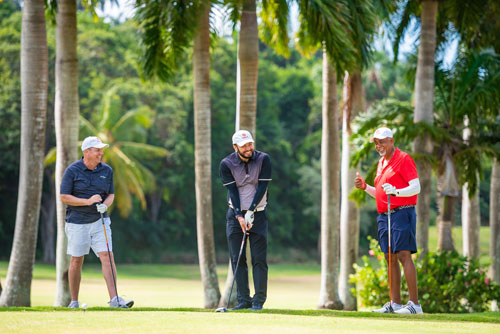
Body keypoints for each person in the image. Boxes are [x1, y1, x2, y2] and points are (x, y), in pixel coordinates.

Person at [354, 127, 423, 314]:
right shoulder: (381, 163)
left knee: (403, 255)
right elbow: (382, 194)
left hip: (402, 212)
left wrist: (397, 192)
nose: (379, 145)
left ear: (392, 141)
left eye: (382, 141)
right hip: (385, 215)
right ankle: (395, 304)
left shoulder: (403, 159)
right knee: (389, 256)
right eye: (376, 142)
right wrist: (366, 187)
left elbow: (416, 187)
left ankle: (415, 305)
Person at [60, 136, 133, 309]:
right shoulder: (72, 171)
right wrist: (87, 201)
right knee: (76, 260)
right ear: (87, 152)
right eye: (97, 150)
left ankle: (115, 300)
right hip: (77, 222)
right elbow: (64, 197)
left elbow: (111, 195)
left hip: (100, 221)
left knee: (107, 256)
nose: (101, 153)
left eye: (101, 149)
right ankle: (74, 301)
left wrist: (105, 206)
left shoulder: (107, 170)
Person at [219, 130, 272, 311]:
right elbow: (232, 191)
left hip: (259, 214)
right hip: (235, 216)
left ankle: (258, 301)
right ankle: (243, 300)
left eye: (250, 144)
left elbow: (262, 187)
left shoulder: (264, 159)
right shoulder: (226, 164)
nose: (249, 148)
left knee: (259, 259)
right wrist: (239, 215)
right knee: (237, 258)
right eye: (244, 146)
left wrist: (250, 211)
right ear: (236, 148)